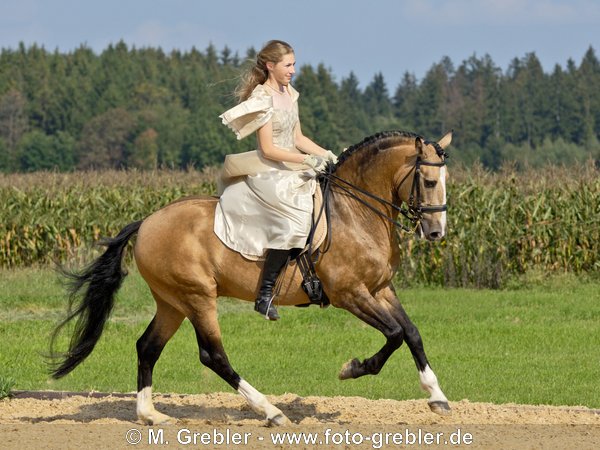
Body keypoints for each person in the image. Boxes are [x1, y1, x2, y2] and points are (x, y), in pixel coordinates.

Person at [214, 40, 337, 321]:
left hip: (292, 163)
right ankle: (265, 293)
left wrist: (325, 154)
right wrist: (305, 161)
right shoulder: (262, 98)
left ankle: (307, 281)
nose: (293, 70)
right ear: (270, 66)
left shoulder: (289, 94)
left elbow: (298, 138)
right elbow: (269, 149)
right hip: (270, 169)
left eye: (294, 64)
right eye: (288, 65)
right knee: (295, 219)